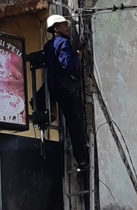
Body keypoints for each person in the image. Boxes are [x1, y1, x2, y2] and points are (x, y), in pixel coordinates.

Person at [44, 14, 88, 169]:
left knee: (70, 120)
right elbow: (68, 65)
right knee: (74, 121)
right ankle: (81, 157)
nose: (67, 27)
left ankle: (80, 156)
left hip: (54, 88)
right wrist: (78, 58)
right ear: (56, 28)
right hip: (65, 87)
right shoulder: (63, 43)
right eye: (64, 25)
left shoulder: (48, 46)